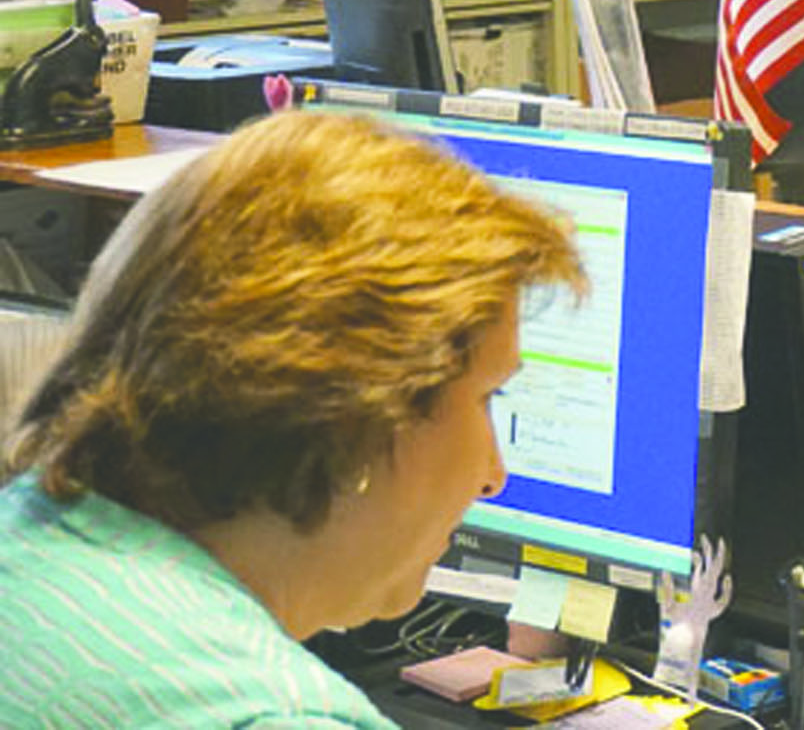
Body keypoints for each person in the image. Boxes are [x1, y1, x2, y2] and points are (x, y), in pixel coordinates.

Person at [0, 109, 585, 727]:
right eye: (486, 397)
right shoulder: (270, 713)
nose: (493, 475)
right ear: (358, 414)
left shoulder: (27, 539)